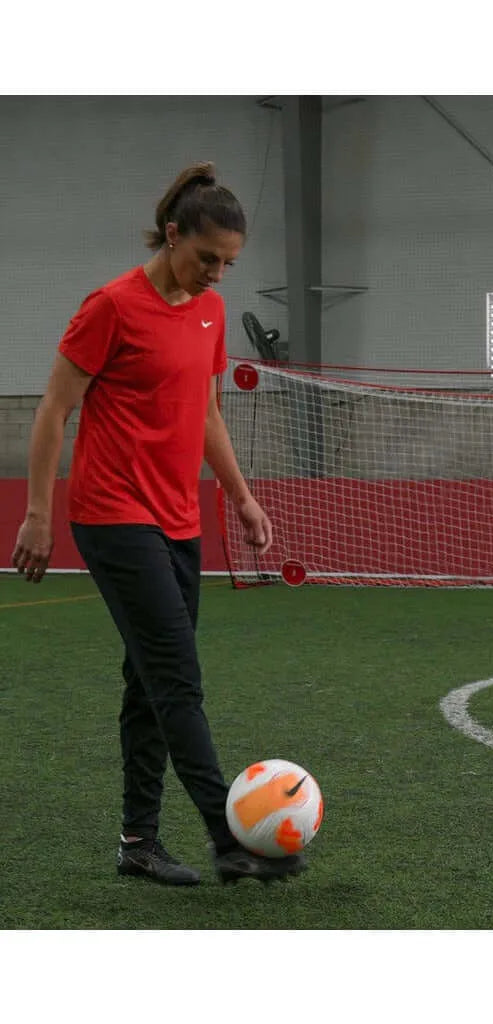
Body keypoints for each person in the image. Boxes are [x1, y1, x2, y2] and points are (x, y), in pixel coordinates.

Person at [11, 162, 305, 886]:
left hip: (179, 520)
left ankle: (138, 842)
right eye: (207, 258)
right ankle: (230, 835)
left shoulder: (206, 315)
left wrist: (241, 496)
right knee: (177, 678)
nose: (217, 276)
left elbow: (204, 412)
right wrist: (39, 512)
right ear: (173, 235)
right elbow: (53, 409)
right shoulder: (110, 306)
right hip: (114, 516)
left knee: (148, 684)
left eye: (229, 264)